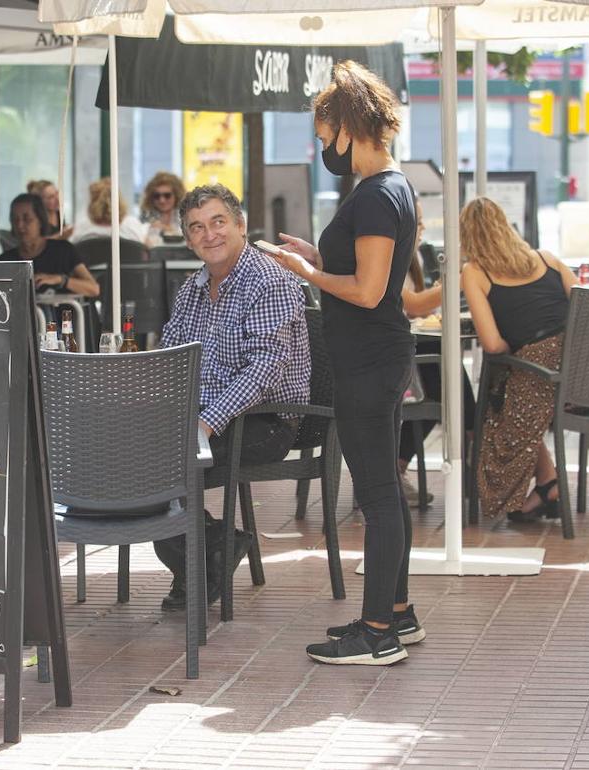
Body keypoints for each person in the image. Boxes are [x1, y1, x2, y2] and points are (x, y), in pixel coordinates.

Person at [267, 60, 419, 666]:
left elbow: (369, 290)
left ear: (348, 128)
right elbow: (361, 272)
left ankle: (378, 632)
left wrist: (307, 274)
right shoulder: (388, 188)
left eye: (323, 132)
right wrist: (316, 254)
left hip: (368, 362)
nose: (321, 145)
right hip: (378, 357)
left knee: (377, 498)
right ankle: (399, 614)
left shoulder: (377, 194)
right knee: (386, 492)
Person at [157, 183, 311, 611]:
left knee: (167, 463)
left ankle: (198, 563)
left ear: (240, 225)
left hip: (268, 420)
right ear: (188, 240)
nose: (210, 235)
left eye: (218, 222)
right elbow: (172, 357)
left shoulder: (270, 280)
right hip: (202, 415)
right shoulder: (191, 288)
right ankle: (213, 548)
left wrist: (204, 426)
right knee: (134, 455)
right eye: (197, 228)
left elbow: (263, 369)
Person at [460, 197, 575, 524]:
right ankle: (548, 482)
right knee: (507, 395)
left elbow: (492, 344)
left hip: (539, 375)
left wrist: (524, 346)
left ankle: (547, 484)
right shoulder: (548, 260)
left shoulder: (475, 271)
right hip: (580, 378)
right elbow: (586, 309)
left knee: (496, 402)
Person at [396, 195, 478, 506]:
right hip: (394, 356)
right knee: (446, 386)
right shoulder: (388, 258)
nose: (422, 229)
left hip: (413, 348)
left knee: (443, 387)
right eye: (416, 223)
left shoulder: (410, 256)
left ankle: (471, 443)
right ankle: (473, 446)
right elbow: (413, 305)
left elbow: (415, 312)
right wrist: (459, 280)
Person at [0, 193, 99, 297]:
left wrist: (60, 280)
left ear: (40, 220)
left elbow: (93, 288)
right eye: (15, 219)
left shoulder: (63, 251)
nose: (20, 225)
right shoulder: (4, 261)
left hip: (65, 313)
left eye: (27, 219)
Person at [70, 177, 148, 244]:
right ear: (119, 200)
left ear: (92, 202)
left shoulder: (82, 227)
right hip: (127, 261)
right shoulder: (132, 225)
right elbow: (146, 249)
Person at [139, 171, 186, 247]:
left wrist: (167, 229)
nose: (162, 200)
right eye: (157, 196)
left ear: (176, 195)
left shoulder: (185, 215)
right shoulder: (145, 217)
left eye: (167, 195)